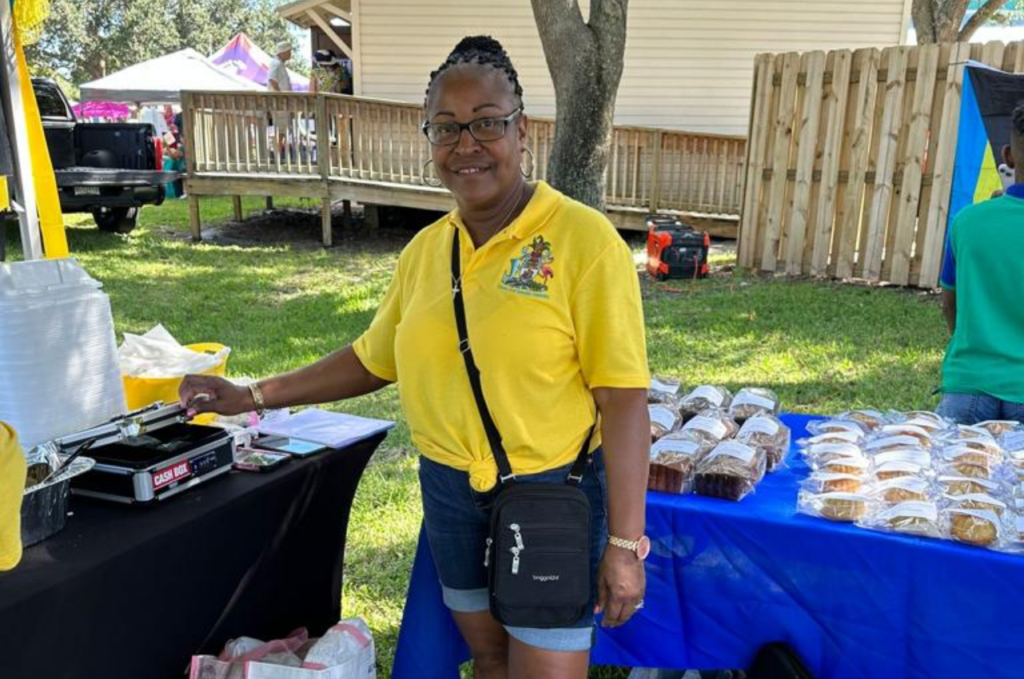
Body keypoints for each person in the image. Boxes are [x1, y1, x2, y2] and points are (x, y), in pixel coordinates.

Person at [180, 35, 650, 679]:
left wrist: (625, 545)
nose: (467, 144)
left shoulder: (581, 239)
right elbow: (373, 359)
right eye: (447, 128)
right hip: (451, 492)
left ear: (522, 132)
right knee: (487, 656)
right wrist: (253, 394)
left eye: (487, 123)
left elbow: (622, 397)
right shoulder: (427, 252)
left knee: (544, 670)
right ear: (429, 139)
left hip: (551, 493)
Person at [937, 104, 1024, 424]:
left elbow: (950, 306)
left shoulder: (968, 221)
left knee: (952, 473)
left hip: (968, 385)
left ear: (1008, 156)